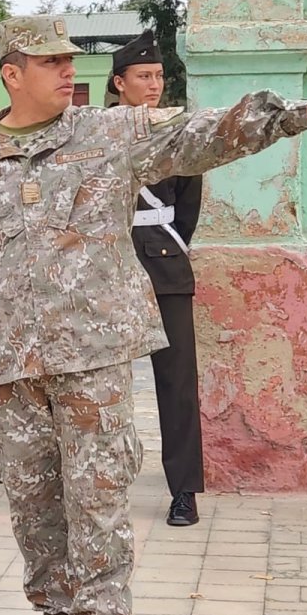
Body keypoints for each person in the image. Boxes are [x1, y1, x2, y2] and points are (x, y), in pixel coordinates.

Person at [0, 14, 307, 615]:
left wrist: (294, 117)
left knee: (97, 495)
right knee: (32, 500)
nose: (67, 72)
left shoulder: (109, 134)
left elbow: (200, 136)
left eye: (70, 60)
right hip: (15, 365)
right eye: (50, 62)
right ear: (12, 73)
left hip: (93, 355)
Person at [108, 30, 205, 527]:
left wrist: (167, 244)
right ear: (119, 83)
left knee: (177, 383)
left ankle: (184, 489)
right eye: (143, 77)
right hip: (109, 268)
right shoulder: (98, 132)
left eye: (159, 76)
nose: (154, 85)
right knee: (103, 383)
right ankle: (103, 484)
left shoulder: (177, 132)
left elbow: (187, 203)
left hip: (165, 263)